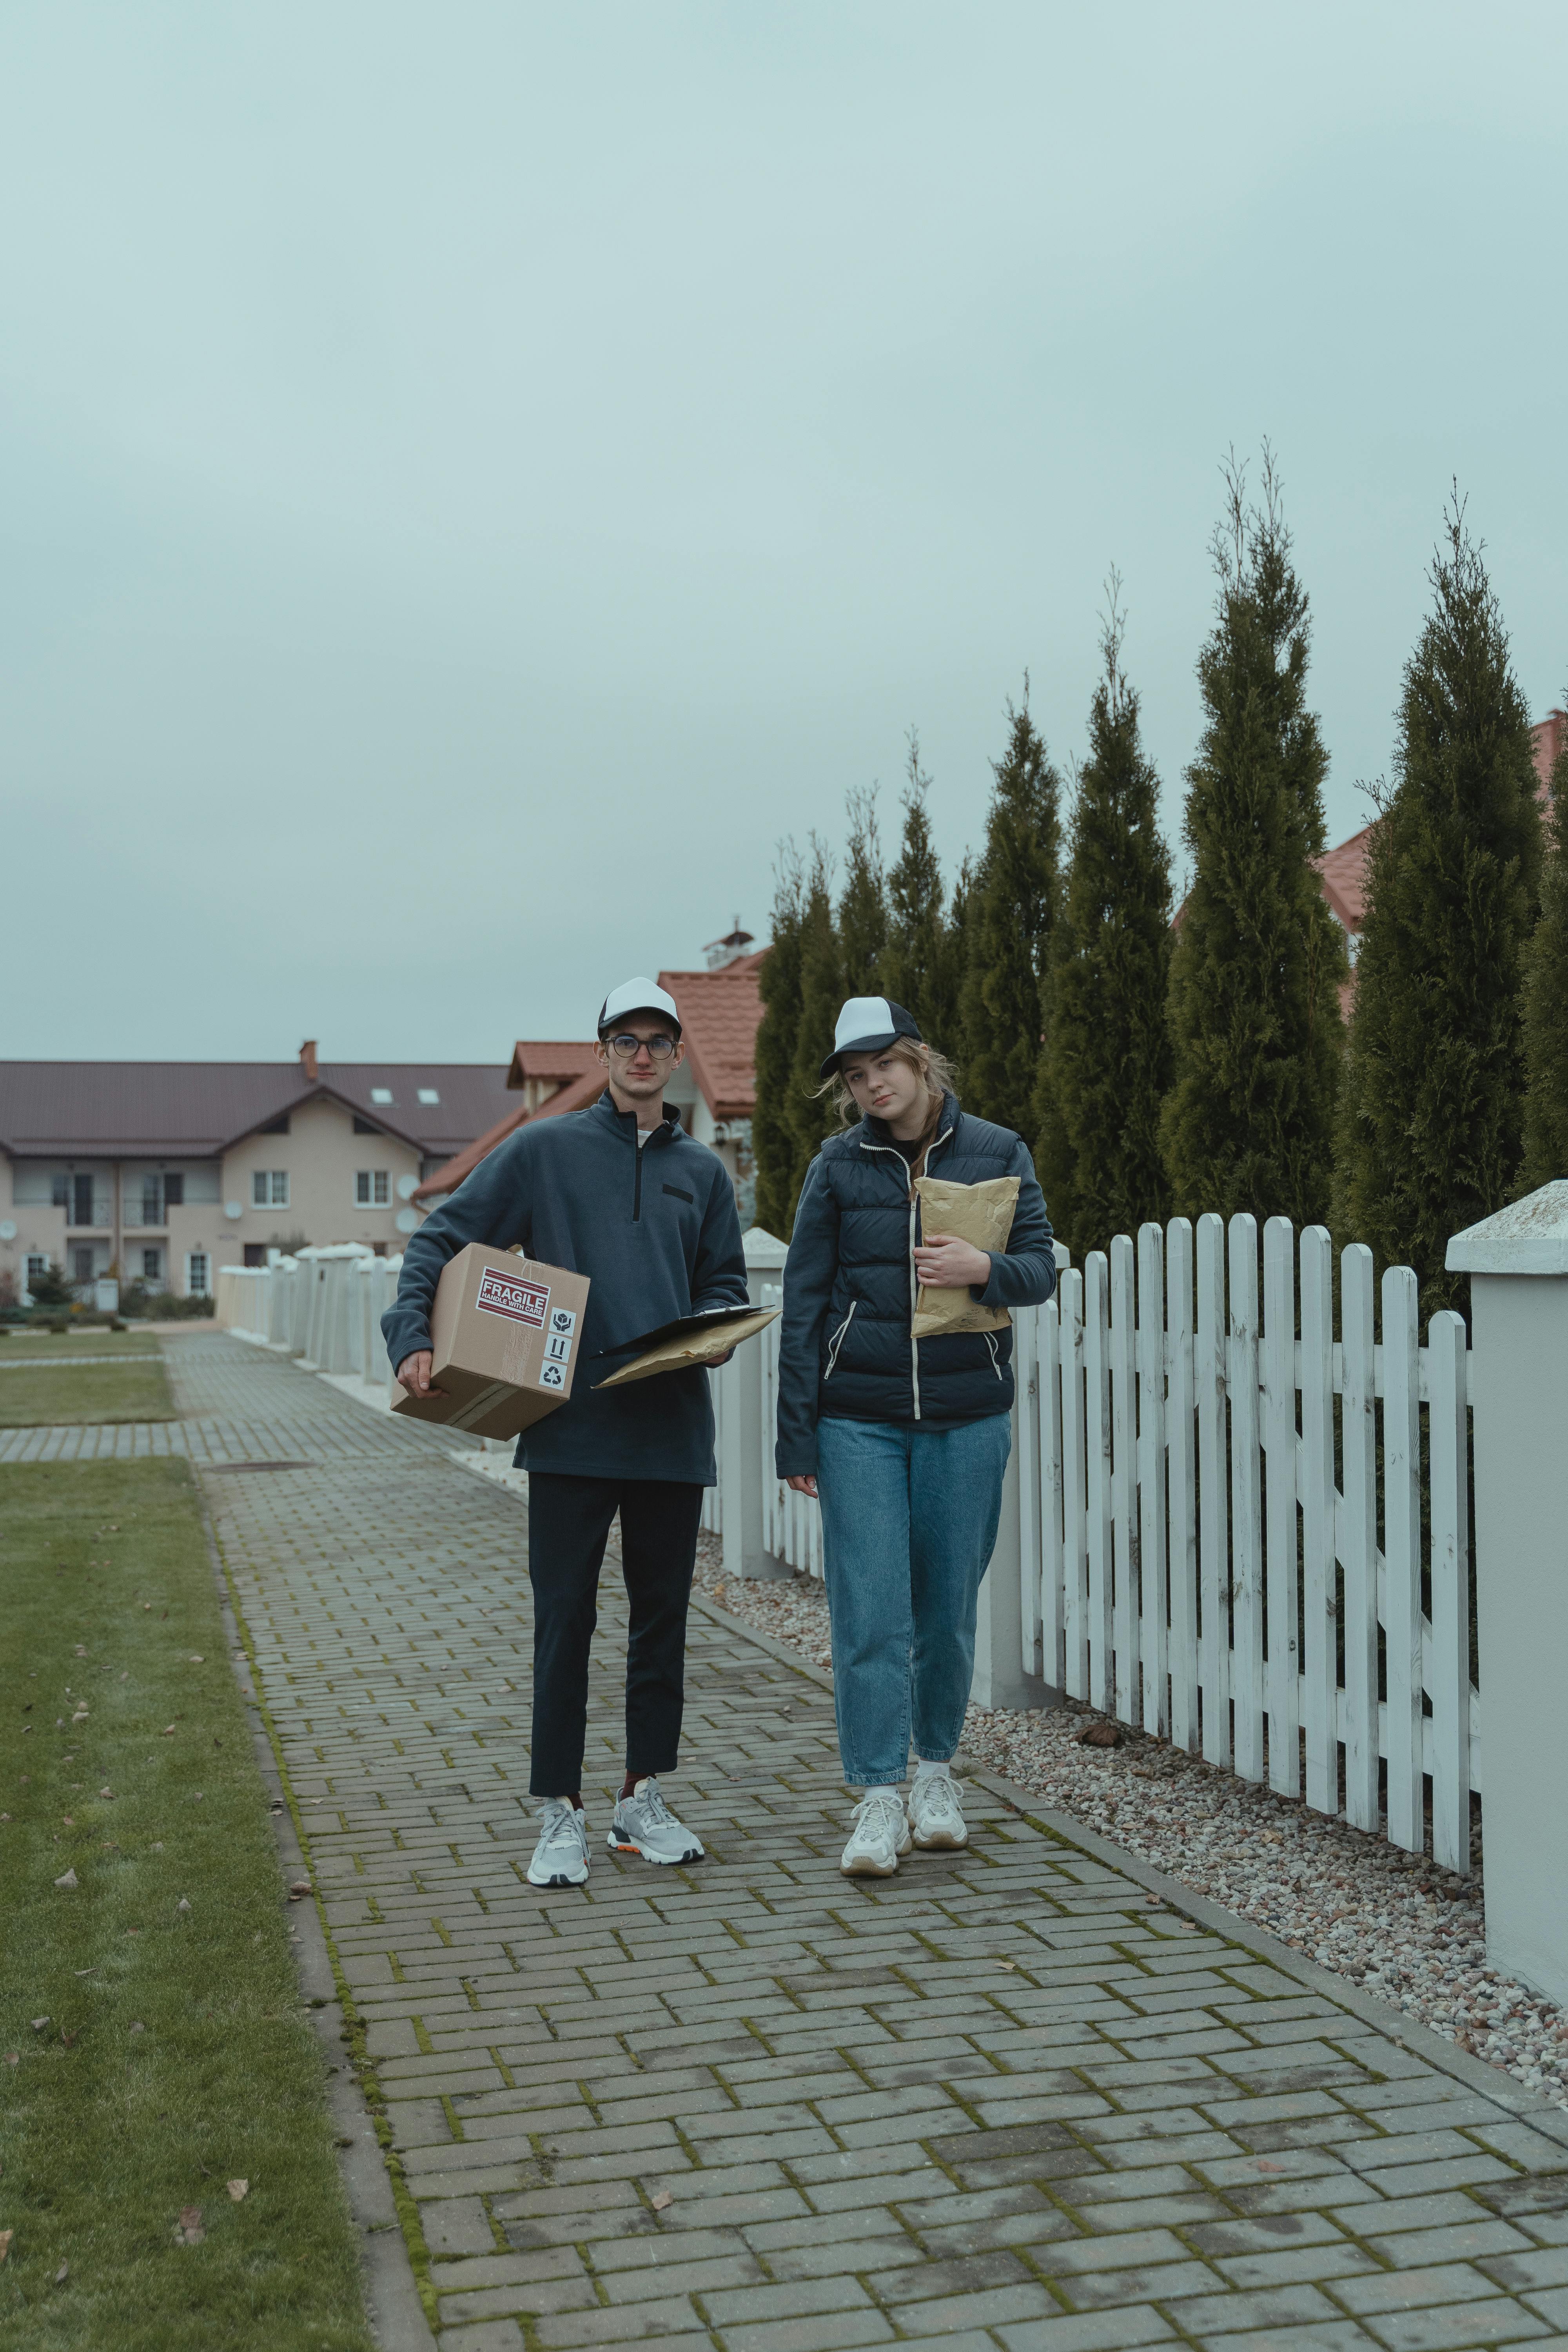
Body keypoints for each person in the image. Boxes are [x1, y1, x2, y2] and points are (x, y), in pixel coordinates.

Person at [383, 977, 748, 1890]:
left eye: (656, 1041)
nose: (639, 1055)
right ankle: (560, 1811)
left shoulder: (703, 1174)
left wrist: (712, 1334)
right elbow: (440, 1241)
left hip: (669, 1432)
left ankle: (639, 1800)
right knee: (564, 1622)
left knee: (662, 1624)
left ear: (673, 1057)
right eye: (623, 1039)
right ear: (600, 1054)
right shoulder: (542, 1154)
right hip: (569, 1428)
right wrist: (412, 1337)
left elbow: (723, 1288)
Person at [775, 995, 1055, 1876]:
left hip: (967, 1418)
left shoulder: (997, 1152)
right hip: (858, 1421)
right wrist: (796, 1440)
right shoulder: (835, 1166)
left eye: (881, 1068)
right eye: (855, 1078)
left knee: (945, 1608)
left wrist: (985, 1271)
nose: (870, 1088)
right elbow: (802, 1306)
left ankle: (935, 1775)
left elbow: (1042, 1267)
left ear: (919, 1060)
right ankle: (876, 1796)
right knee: (869, 1612)